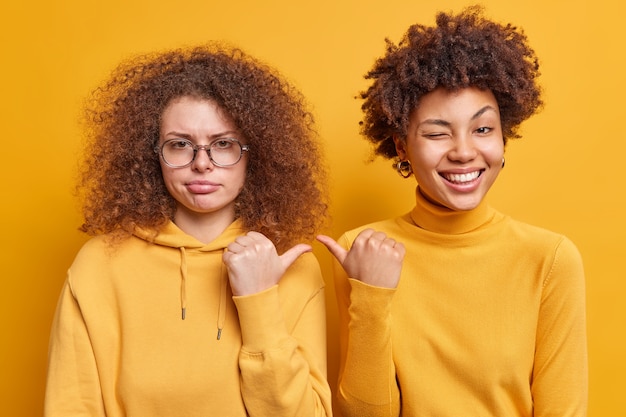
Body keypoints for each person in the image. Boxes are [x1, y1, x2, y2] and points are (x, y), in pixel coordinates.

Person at [317, 6, 587, 417]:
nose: (463, 152)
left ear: (503, 139)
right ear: (402, 147)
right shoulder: (362, 250)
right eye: (437, 133)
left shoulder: (549, 260)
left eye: (482, 129)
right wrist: (371, 297)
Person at [45, 43, 332, 417]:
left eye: (223, 144)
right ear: (150, 154)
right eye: (180, 145)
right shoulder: (100, 265)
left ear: (255, 155)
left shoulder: (290, 264)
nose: (201, 164)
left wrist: (259, 301)